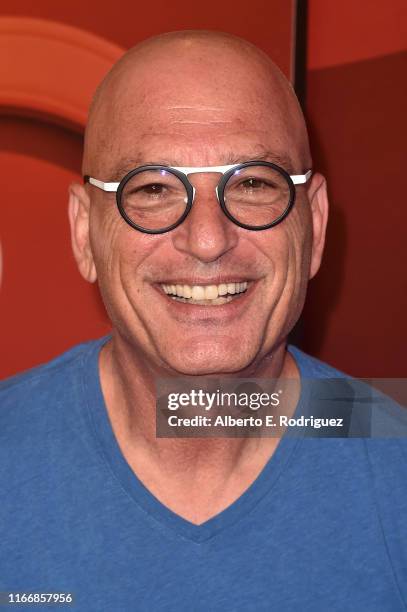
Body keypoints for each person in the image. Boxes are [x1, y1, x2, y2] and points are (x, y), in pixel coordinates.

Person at [0, 31, 406, 612]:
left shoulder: (393, 472)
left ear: (313, 225)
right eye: (155, 189)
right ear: (84, 232)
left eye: (254, 184)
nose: (209, 239)